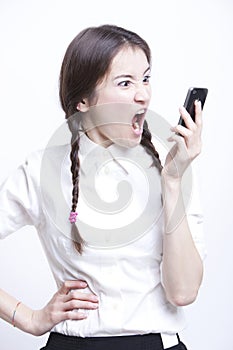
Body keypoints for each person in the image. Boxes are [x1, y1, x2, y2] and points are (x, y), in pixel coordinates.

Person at [0, 24, 205, 350]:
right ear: (83, 100)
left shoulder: (171, 166)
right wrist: (28, 318)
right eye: (125, 83)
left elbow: (183, 292)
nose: (143, 94)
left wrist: (174, 183)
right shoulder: (42, 171)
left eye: (146, 78)